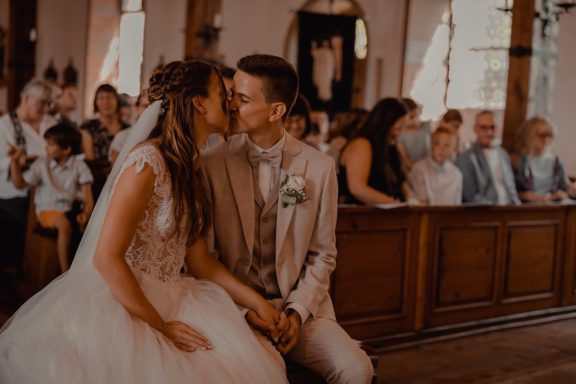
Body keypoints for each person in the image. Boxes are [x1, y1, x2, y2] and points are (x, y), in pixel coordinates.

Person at [0, 60, 287, 383]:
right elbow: (106, 258)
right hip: (122, 301)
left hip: (176, 292)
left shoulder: (189, 165)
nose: (231, 104)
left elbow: (201, 261)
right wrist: (161, 327)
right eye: (224, 95)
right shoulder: (148, 162)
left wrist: (257, 301)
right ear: (198, 104)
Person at [202, 54, 373, 384]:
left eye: (243, 98)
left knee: (357, 370)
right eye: (231, 94)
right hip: (235, 311)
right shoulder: (211, 164)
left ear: (276, 110)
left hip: (301, 310)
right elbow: (206, 259)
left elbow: (323, 254)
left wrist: (295, 314)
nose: (231, 105)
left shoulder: (319, 167)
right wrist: (248, 311)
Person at [8, 123, 94, 272]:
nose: (46, 147)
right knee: (64, 225)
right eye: (47, 143)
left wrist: (86, 213)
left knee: (91, 226)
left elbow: (88, 198)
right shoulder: (42, 164)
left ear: (66, 149)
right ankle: (65, 271)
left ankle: (87, 268)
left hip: (71, 209)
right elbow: (19, 184)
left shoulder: (80, 166)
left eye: (51, 144)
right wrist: (14, 162)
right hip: (49, 210)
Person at [0, 79, 56, 271]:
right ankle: (24, 268)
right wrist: (16, 161)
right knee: (27, 222)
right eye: (41, 102)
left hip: (48, 186)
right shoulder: (5, 125)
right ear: (26, 98)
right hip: (15, 191)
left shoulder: (49, 123)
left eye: (48, 103)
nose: (45, 108)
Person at [339, 97, 418, 205]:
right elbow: (357, 189)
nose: (399, 134)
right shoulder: (362, 144)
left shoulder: (389, 146)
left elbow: (400, 180)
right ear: (383, 125)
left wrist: (411, 198)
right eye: (397, 129)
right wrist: (395, 204)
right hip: (361, 214)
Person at [456, 110, 520, 205]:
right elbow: (470, 195)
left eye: (492, 127)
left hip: (511, 209)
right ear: (475, 129)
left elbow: (511, 187)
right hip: (486, 212)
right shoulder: (465, 158)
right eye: (484, 128)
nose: (489, 132)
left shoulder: (503, 153)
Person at [510, 116, 575, 202]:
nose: (546, 139)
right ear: (529, 135)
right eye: (542, 135)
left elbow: (563, 186)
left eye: (550, 135)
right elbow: (513, 191)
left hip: (554, 205)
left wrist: (564, 193)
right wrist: (530, 197)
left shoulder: (554, 161)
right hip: (529, 208)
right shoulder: (517, 161)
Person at [408, 126, 463, 205]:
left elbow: (457, 205)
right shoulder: (419, 169)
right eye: (437, 143)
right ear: (431, 144)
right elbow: (421, 203)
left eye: (447, 145)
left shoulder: (456, 174)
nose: (441, 149)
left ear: (453, 148)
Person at [80, 83, 130, 162]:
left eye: (109, 97)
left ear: (117, 101)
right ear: (96, 102)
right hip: (96, 172)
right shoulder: (88, 126)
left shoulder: (127, 128)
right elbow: (90, 159)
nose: (106, 102)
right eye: (101, 98)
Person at [397, 97, 431, 170]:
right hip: (412, 169)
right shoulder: (399, 134)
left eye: (417, 116)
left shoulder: (426, 126)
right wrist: (419, 171)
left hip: (428, 166)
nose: (415, 120)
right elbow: (405, 158)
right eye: (411, 117)